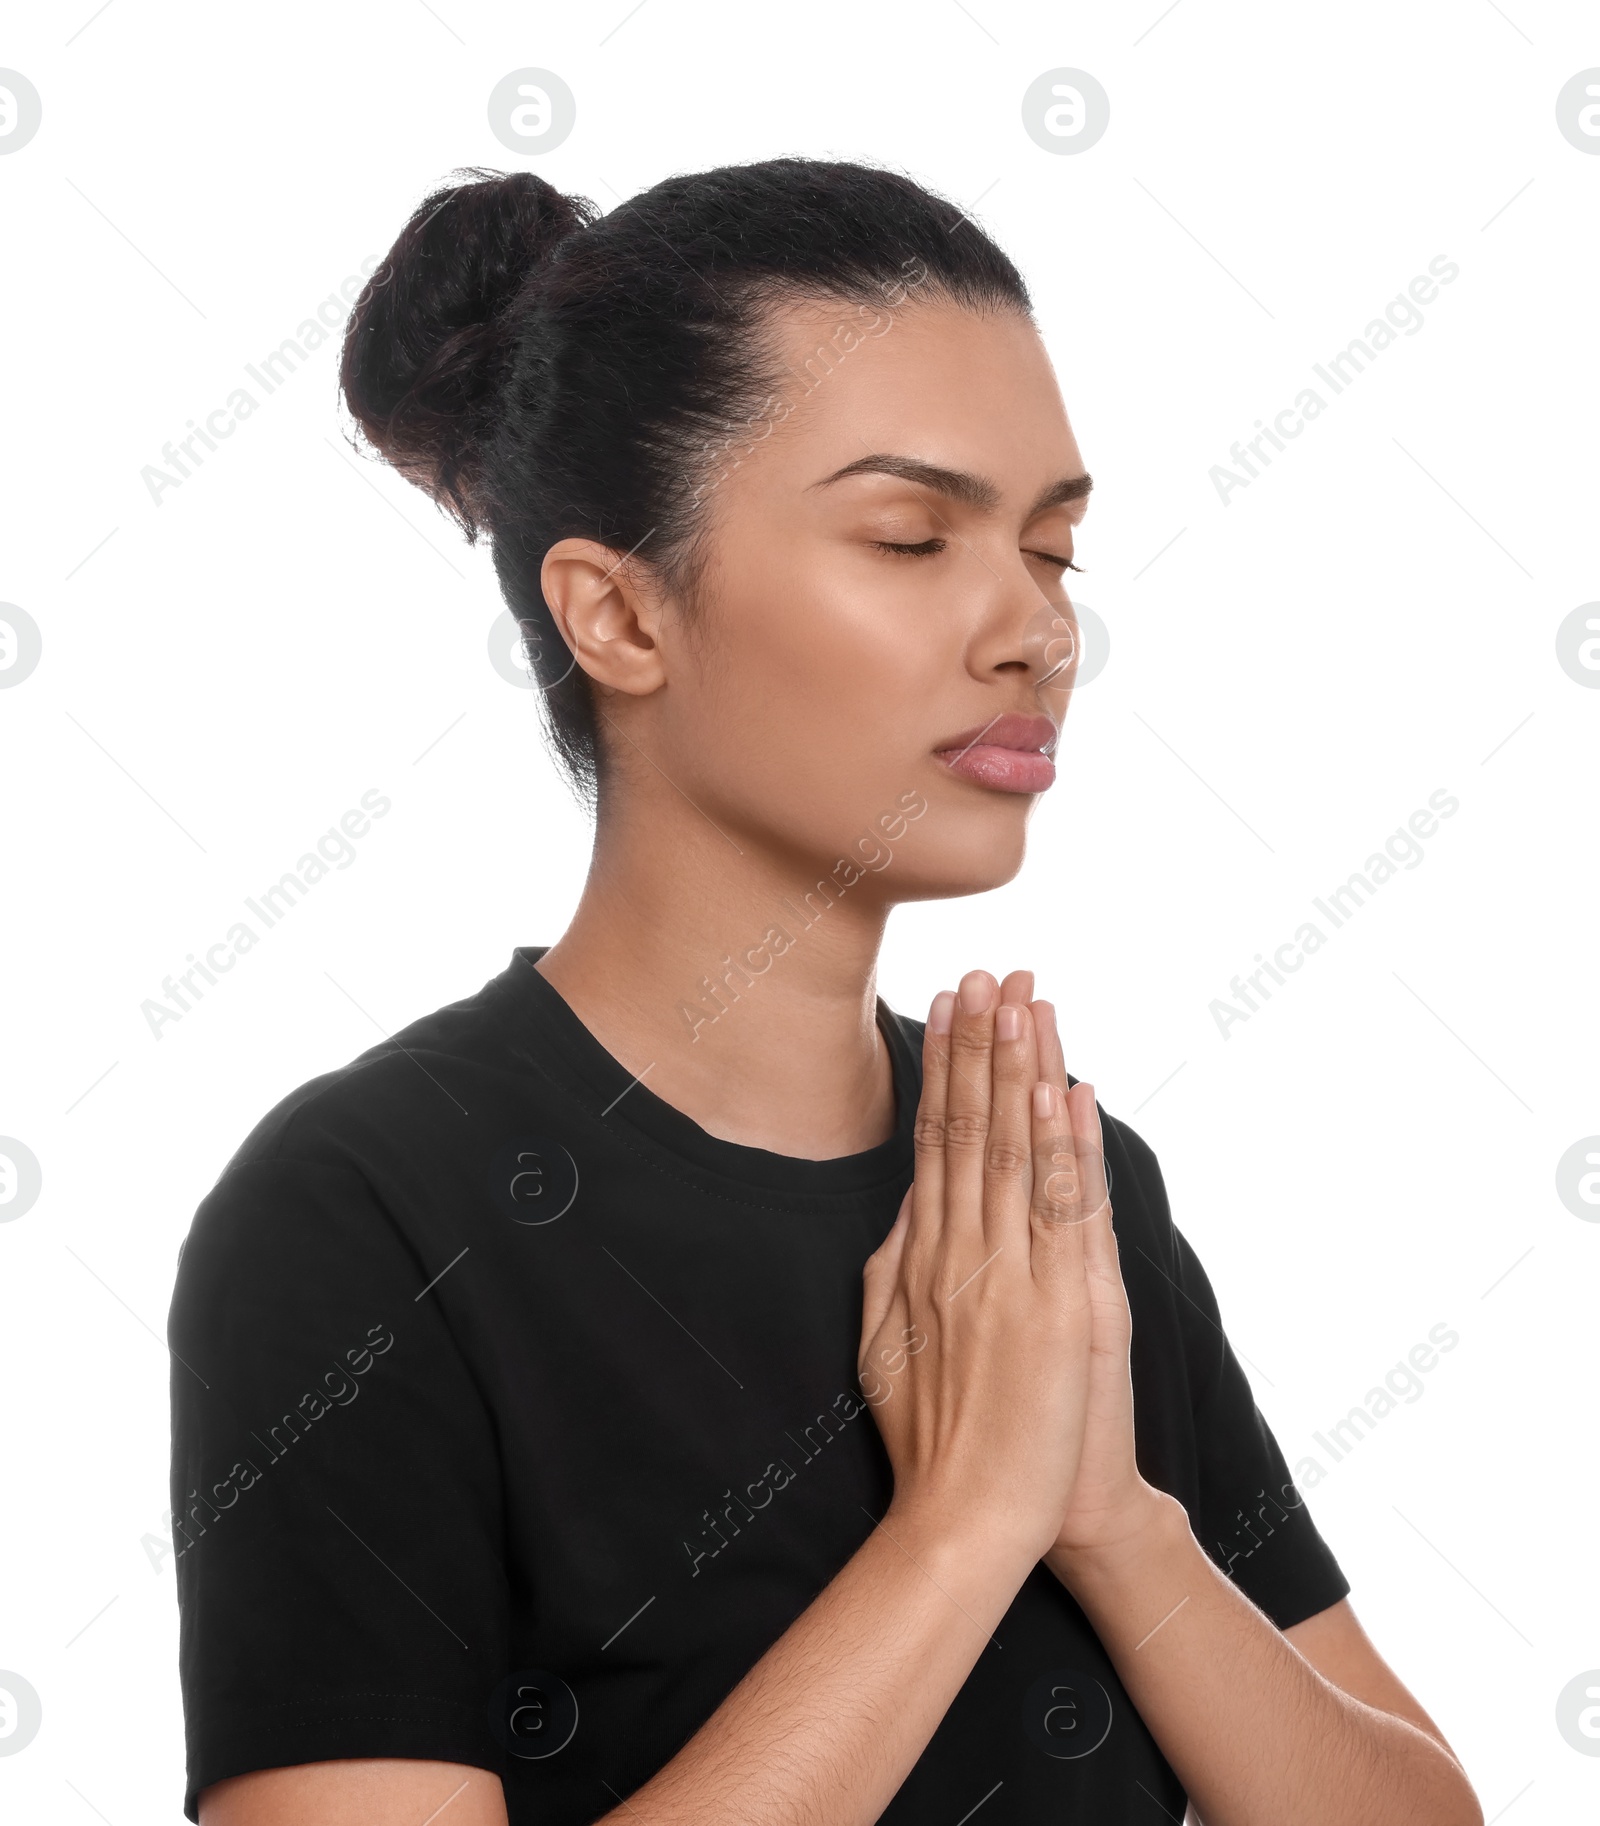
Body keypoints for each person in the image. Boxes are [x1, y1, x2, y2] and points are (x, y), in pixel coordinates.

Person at [167, 158, 1482, 1825]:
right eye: (913, 535)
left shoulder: (1057, 1187)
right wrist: (960, 1526)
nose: (1034, 629)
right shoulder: (364, 1216)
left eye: (1054, 546)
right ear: (618, 612)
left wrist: (1116, 1519)